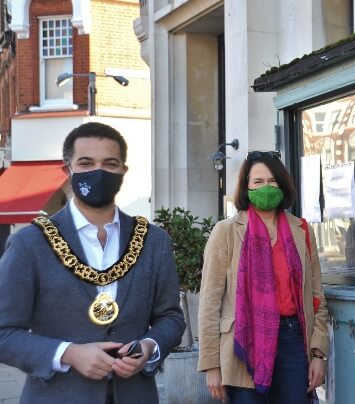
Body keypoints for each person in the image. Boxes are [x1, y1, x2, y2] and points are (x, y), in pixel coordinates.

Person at [0, 122, 186, 403]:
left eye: (110, 164)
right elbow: (4, 333)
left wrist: (149, 347)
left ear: (123, 171)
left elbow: (170, 317)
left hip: (135, 394)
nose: (98, 172)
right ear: (68, 170)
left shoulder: (152, 240)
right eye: (86, 163)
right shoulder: (31, 243)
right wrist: (68, 353)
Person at [198, 150, 330, 404]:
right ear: (246, 188)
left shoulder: (301, 230)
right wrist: (211, 365)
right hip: (243, 343)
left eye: (272, 181)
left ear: (283, 185)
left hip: (293, 341)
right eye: (258, 181)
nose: (266, 187)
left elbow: (316, 296)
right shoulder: (225, 231)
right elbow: (209, 302)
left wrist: (319, 354)